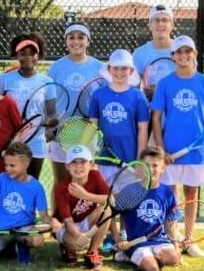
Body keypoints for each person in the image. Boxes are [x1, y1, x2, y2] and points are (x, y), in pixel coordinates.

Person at [89, 49, 149, 246]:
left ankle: (123, 234)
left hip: (129, 158)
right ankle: (110, 235)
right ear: (109, 69)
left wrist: (139, 160)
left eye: (125, 68)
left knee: (126, 200)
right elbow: (93, 127)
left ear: (131, 71)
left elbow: (142, 130)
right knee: (107, 199)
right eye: (116, 68)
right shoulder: (98, 95)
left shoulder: (138, 97)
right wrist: (91, 157)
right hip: (104, 158)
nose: (120, 72)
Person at [151, 35, 204, 257]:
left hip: (197, 152)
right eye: (178, 52)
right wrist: (162, 149)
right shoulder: (165, 84)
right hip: (171, 151)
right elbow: (156, 118)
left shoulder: (202, 81)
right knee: (170, 195)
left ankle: (189, 239)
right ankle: (172, 238)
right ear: (172, 57)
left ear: (195, 54)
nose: (183, 56)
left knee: (191, 192)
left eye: (187, 51)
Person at [0, 142, 51, 266]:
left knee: (37, 240)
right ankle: (8, 246)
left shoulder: (36, 186)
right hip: (0, 231)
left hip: (24, 230)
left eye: (12, 165)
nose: (7, 169)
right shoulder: (2, 178)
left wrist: (54, 223)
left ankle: (21, 245)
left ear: (26, 164)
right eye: (6, 165)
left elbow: (44, 215)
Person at [47, 24, 102, 182]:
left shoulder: (99, 67)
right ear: (66, 41)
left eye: (81, 37)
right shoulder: (56, 67)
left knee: (90, 182)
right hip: (61, 132)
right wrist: (49, 125)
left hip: (89, 132)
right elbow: (49, 99)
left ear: (88, 41)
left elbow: (103, 100)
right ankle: (59, 209)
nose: (76, 41)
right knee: (61, 183)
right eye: (71, 37)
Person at [115, 147, 181, 271]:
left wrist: (176, 248)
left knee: (173, 258)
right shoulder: (131, 191)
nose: (150, 169)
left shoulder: (167, 192)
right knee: (153, 269)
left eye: (155, 165)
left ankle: (151, 257)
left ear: (162, 168)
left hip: (160, 241)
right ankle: (137, 257)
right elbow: (118, 214)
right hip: (137, 242)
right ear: (139, 168)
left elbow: (171, 222)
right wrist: (121, 238)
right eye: (146, 165)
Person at [0, 34, 50, 179]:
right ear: (17, 56)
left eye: (32, 53)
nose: (28, 57)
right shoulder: (4, 79)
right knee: (8, 185)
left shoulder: (47, 81)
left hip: (36, 142)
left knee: (31, 185)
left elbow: (53, 115)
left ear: (38, 56)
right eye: (23, 53)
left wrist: (49, 126)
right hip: (10, 141)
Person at [51, 145, 110, 271]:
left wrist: (85, 195)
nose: (78, 166)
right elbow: (69, 223)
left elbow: (111, 200)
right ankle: (67, 247)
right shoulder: (62, 188)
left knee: (107, 211)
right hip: (65, 225)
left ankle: (92, 252)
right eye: (73, 162)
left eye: (83, 162)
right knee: (76, 245)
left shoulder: (95, 176)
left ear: (91, 164)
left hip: (85, 220)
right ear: (67, 166)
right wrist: (79, 237)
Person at [132, 4, 175, 100]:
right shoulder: (139, 53)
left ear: (172, 25)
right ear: (149, 25)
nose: (160, 24)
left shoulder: (183, 51)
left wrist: (161, 91)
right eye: (156, 20)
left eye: (165, 20)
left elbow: (190, 84)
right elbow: (133, 88)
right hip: (151, 109)